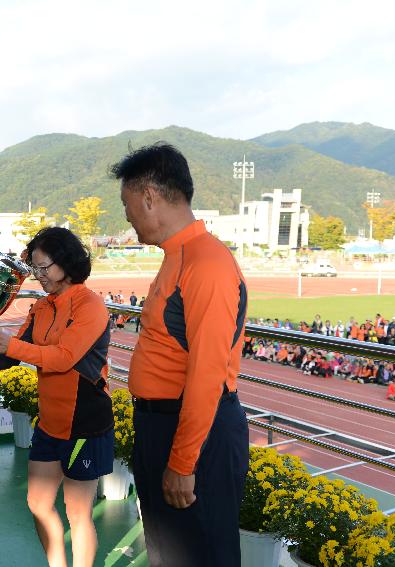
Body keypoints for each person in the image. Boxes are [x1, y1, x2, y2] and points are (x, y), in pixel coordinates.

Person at [112, 143, 249, 566]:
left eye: (128, 203)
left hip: (193, 435)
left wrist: (183, 462)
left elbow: (207, 375)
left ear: (149, 196)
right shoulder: (178, 256)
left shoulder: (206, 264)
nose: (128, 216)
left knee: (201, 555)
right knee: (168, 555)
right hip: (161, 425)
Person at [0, 227, 113, 567]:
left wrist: (7, 343)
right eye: (35, 269)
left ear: (67, 262)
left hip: (85, 422)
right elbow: (9, 356)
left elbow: (63, 357)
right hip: (50, 423)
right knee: (38, 504)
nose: (39, 277)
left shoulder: (90, 306)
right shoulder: (42, 306)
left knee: (78, 512)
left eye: (44, 268)